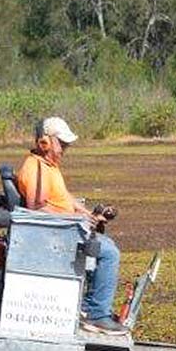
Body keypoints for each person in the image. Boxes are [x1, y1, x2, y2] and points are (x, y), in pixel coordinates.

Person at [15, 116, 127, 335]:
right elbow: (37, 210)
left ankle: (89, 306)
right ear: (45, 143)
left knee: (106, 243)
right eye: (62, 144)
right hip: (54, 236)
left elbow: (63, 197)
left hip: (64, 229)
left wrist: (88, 215)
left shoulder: (49, 166)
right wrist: (76, 221)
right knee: (109, 253)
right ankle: (96, 315)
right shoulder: (36, 168)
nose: (65, 149)